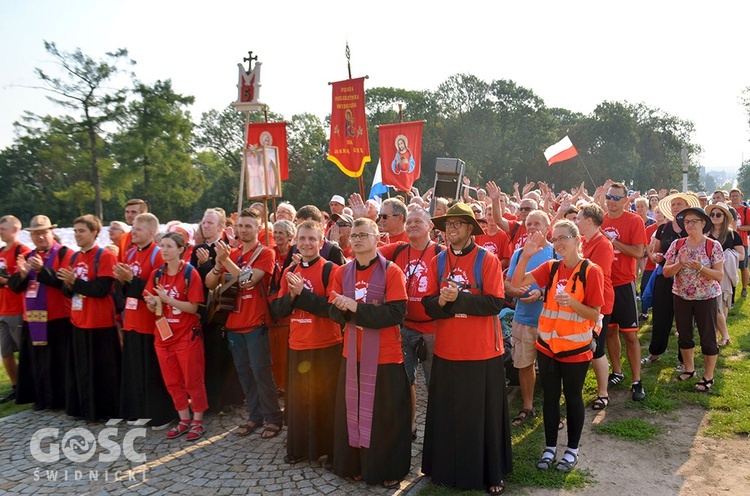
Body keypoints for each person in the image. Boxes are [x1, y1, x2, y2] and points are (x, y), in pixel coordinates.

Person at [422, 203, 511, 495]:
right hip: (447, 351)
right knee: (446, 414)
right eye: (448, 225)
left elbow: (495, 303)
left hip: (482, 352)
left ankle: (491, 473)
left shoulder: (488, 260)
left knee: (482, 416)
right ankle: (443, 470)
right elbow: (428, 305)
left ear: (471, 228)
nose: (452, 229)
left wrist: (457, 298)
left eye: (458, 224)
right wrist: (444, 302)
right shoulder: (436, 261)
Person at [511, 220, 604, 473]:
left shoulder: (591, 271)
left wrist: (573, 302)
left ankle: (572, 450)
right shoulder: (551, 267)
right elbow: (516, 281)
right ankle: (550, 447)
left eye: (564, 237)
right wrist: (526, 255)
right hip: (547, 348)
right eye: (555, 239)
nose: (559, 243)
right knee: (550, 399)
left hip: (575, 351)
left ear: (577, 240)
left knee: (573, 398)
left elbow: (595, 314)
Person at [328, 218, 410, 489]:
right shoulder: (342, 272)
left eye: (364, 235)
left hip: (385, 356)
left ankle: (388, 468)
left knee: (385, 417)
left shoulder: (392, 271)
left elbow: (396, 313)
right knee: (353, 412)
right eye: (354, 235)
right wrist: (341, 308)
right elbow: (333, 311)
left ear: (377, 238)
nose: (358, 239)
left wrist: (356, 308)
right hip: (353, 355)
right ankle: (355, 464)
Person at [205, 208, 284, 439]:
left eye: (248, 226)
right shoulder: (234, 253)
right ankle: (255, 416)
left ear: (258, 228)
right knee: (244, 374)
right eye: (240, 225)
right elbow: (210, 283)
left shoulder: (265, 253)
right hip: (233, 325)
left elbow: (248, 281)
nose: (243, 230)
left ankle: (273, 418)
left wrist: (225, 260)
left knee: (261, 373)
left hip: (256, 323)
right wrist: (219, 264)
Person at [270, 221, 342, 466]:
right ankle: (300, 448)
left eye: (312, 239)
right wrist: (292, 296)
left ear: (321, 243)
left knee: (326, 400)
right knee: (299, 402)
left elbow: (331, 310)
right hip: (298, 344)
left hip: (326, 345)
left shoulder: (331, 269)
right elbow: (278, 309)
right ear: (296, 242)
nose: (307, 243)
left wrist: (303, 294)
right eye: (302, 239)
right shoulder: (291, 269)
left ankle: (331, 451)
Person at [378, 208, 443, 441]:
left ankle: (438, 432)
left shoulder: (440, 253)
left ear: (430, 227)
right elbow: (365, 255)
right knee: (405, 381)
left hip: (432, 329)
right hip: (404, 328)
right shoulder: (397, 250)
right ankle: (409, 426)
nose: (413, 224)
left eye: (419, 221)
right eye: (410, 221)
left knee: (436, 384)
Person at [144, 231, 207, 440]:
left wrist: (167, 300)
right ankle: (184, 419)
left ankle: (198, 420)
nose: (164, 250)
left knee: (193, 380)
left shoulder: (190, 273)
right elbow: (150, 301)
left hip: (185, 335)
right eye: (162, 246)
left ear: (181, 249)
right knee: (172, 381)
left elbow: (194, 307)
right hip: (163, 336)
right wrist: (153, 303)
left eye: (169, 246)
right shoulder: (157, 274)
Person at [115, 213, 175, 429]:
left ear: (151, 232)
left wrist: (131, 280)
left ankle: (160, 414)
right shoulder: (129, 253)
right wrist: (122, 281)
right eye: (132, 228)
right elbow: (123, 292)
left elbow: (155, 290)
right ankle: (139, 412)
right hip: (131, 320)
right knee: (134, 370)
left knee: (152, 371)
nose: (133, 232)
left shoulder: (158, 255)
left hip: (149, 322)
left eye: (138, 229)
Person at [59, 214, 121, 421]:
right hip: (78, 321)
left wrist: (74, 282)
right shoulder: (74, 257)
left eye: (81, 231)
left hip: (100, 323)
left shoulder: (104, 256)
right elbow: (67, 290)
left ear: (94, 233)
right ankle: (83, 409)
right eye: (75, 231)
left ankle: (104, 411)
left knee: (102, 371)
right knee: (82, 370)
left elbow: (101, 289)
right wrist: (68, 285)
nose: (77, 235)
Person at [7, 215, 71, 410]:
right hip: (33, 318)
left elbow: (64, 284)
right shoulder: (28, 256)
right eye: (35, 234)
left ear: (52, 232)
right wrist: (23, 274)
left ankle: (60, 399)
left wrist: (43, 270)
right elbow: (15, 287)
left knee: (58, 362)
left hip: (58, 317)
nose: (40, 237)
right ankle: (41, 399)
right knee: (37, 362)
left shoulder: (64, 254)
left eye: (43, 233)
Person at [663, 207, 724, 392]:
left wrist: (700, 268)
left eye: (694, 221)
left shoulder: (713, 246)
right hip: (682, 296)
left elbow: (719, 275)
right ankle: (689, 369)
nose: (689, 225)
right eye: (686, 221)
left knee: (708, 337)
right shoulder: (678, 245)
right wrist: (679, 263)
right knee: (684, 335)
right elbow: (666, 272)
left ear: (703, 223)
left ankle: (708, 376)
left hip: (706, 297)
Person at [505, 209, 554, 424]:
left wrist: (541, 293)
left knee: (551, 368)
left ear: (547, 228)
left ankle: (552, 409)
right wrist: (515, 291)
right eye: (528, 224)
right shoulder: (518, 253)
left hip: (550, 321)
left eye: (536, 224)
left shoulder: (556, 253)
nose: (532, 227)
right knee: (524, 365)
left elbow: (566, 285)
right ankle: (527, 406)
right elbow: (508, 283)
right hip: (523, 319)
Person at [601, 182, 648, 401]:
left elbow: (639, 253)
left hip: (624, 283)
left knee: (630, 334)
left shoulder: (634, 220)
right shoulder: (600, 219)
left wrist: (614, 242)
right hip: (604, 284)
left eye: (616, 198)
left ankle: (637, 381)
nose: (611, 201)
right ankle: (617, 372)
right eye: (609, 197)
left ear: (626, 200)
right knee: (610, 331)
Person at [641, 193, 698, 364]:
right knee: (660, 316)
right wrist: (656, 256)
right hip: (665, 276)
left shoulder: (693, 228)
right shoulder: (663, 228)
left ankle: (684, 361)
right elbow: (655, 251)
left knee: (685, 321)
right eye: (673, 204)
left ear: (687, 206)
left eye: (679, 204)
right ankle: (655, 353)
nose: (675, 207)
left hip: (687, 278)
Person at [576, 203, 615, 410]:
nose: (577, 222)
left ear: (589, 220)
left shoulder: (603, 244)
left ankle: (603, 393)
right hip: (583, 302)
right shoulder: (583, 241)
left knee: (596, 348)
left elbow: (595, 275)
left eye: (579, 218)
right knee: (584, 345)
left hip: (599, 302)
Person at [0, 215, 32, 404]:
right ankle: (15, 387)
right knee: (5, 352)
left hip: (18, 308)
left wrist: (5, 281)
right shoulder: (1, 252)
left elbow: (19, 281)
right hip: (3, 308)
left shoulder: (23, 251)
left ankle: (29, 385)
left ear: (15, 230)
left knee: (24, 351)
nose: (1, 233)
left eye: (4, 229)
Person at [706, 203, 743, 347]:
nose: (715, 217)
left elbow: (741, 255)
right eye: (712, 214)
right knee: (715, 305)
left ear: (725, 217)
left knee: (722, 304)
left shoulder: (733, 234)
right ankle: (722, 335)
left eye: (718, 215)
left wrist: (726, 255)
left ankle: (722, 335)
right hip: (709, 273)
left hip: (725, 273)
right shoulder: (706, 234)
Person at [728, 189, 749, 297]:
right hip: (729, 241)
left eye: (737, 196)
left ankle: (744, 288)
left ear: (741, 197)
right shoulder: (727, 209)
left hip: (742, 241)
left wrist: (738, 227)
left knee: (743, 266)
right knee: (730, 266)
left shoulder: (746, 210)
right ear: (730, 197)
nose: (735, 198)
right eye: (732, 196)